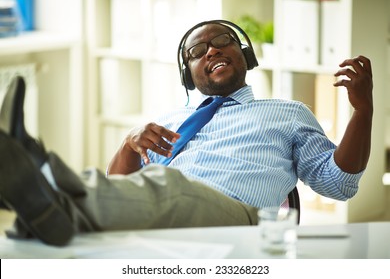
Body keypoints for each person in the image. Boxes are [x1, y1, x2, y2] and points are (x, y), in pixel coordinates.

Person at [0, 20, 373, 247]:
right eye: (197, 51)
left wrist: (362, 111)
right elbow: (121, 191)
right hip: (171, 208)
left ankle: (40, 174)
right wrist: (129, 146)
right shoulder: (170, 120)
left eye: (222, 41)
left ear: (244, 53)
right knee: (158, 190)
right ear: (188, 74)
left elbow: (339, 184)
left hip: (240, 220)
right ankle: (41, 203)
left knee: (171, 186)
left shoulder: (287, 114)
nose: (211, 50)